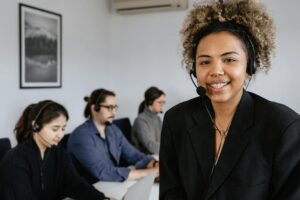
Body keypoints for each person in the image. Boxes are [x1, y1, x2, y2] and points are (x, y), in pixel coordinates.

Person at [159, 0, 300, 200]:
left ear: (250, 66)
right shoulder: (176, 120)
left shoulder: (284, 126)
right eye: (205, 62)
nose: (215, 71)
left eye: (229, 59)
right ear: (194, 69)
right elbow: (170, 193)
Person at [0, 100, 108, 200]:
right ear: (36, 126)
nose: (60, 135)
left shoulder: (58, 152)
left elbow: (75, 183)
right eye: (55, 129)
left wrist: (101, 198)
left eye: (63, 129)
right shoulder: (16, 160)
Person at [67, 88, 158, 182]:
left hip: (110, 184)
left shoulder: (113, 129)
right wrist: (149, 173)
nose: (114, 112)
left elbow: (133, 154)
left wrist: (155, 164)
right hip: (91, 189)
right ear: (94, 108)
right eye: (109, 107)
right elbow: (103, 172)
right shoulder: (81, 136)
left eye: (115, 107)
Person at [132, 86, 165, 154]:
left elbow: (164, 140)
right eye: (159, 102)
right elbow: (150, 147)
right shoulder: (140, 120)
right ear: (150, 102)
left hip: (156, 155)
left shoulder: (158, 119)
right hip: (146, 158)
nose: (162, 105)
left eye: (163, 102)